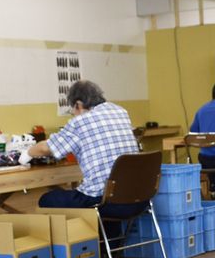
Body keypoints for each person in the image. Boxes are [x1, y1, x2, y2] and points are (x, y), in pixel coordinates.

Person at [19, 80, 139, 208]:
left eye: (72, 110)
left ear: (78, 104)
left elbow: (45, 148)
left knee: (48, 199)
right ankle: (106, 228)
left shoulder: (81, 121)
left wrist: (26, 154)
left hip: (103, 200)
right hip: (136, 196)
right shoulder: (120, 111)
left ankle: (86, 227)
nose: (74, 114)